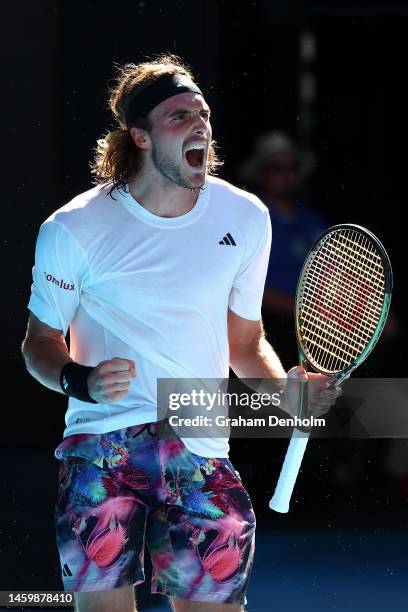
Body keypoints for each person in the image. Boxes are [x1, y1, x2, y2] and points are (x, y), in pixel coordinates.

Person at [22, 55, 340, 612]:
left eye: (203, 113)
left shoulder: (245, 218)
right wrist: (83, 379)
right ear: (140, 137)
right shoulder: (72, 228)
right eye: (178, 116)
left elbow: (244, 343)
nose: (199, 125)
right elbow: (39, 345)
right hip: (104, 450)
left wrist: (281, 391)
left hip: (201, 445)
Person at [239, 132, 326, 364]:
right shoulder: (249, 220)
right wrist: (305, 312)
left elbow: (333, 273)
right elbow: (244, 289)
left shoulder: (313, 219)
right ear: (261, 173)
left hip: (323, 334)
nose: (287, 175)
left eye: (293, 167)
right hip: (272, 333)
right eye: (277, 168)